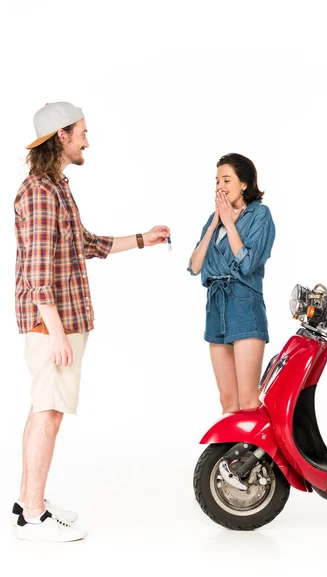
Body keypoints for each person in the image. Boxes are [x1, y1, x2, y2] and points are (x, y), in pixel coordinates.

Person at [13, 102, 170, 542]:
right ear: (61, 136)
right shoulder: (41, 193)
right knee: (48, 413)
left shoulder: (58, 187)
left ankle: (28, 500)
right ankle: (32, 515)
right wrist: (57, 332)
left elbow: (85, 243)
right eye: (82, 131)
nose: (87, 139)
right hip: (52, 325)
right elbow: (39, 275)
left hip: (60, 322)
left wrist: (143, 240)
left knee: (43, 409)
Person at [188, 153, 275, 414]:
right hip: (215, 306)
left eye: (226, 179)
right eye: (216, 181)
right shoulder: (213, 220)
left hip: (244, 305)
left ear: (245, 184)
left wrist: (229, 222)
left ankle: (258, 455)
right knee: (228, 401)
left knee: (248, 401)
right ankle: (232, 457)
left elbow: (248, 265)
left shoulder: (260, 215)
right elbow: (194, 266)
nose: (220, 187)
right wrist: (216, 222)